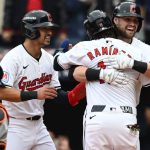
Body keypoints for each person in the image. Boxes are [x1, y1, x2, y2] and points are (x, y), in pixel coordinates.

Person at [53, 9, 150, 150]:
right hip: (127, 118)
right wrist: (133, 64)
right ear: (113, 24)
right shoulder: (134, 51)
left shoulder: (85, 47)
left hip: (97, 119)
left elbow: (57, 64)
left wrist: (62, 50)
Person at [0, 9, 90, 150]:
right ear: (30, 30)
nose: (50, 32)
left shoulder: (49, 60)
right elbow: (2, 92)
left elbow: (61, 97)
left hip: (39, 126)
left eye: (50, 28)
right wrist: (35, 94)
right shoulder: (13, 58)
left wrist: (89, 81)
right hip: (15, 126)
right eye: (44, 28)